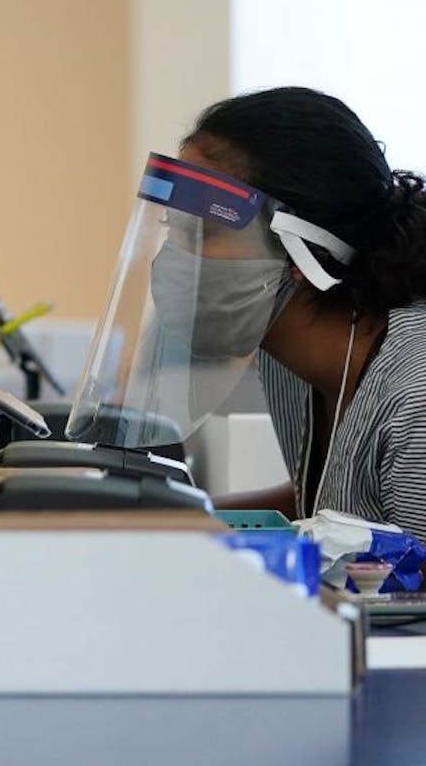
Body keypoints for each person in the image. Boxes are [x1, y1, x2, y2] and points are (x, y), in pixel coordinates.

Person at [68, 86, 426, 538]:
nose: (175, 258)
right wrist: (162, 525)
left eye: (202, 232)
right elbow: (321, 506)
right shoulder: (288, 359)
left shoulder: (415, 397)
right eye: (173, 229)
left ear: (303, 251)